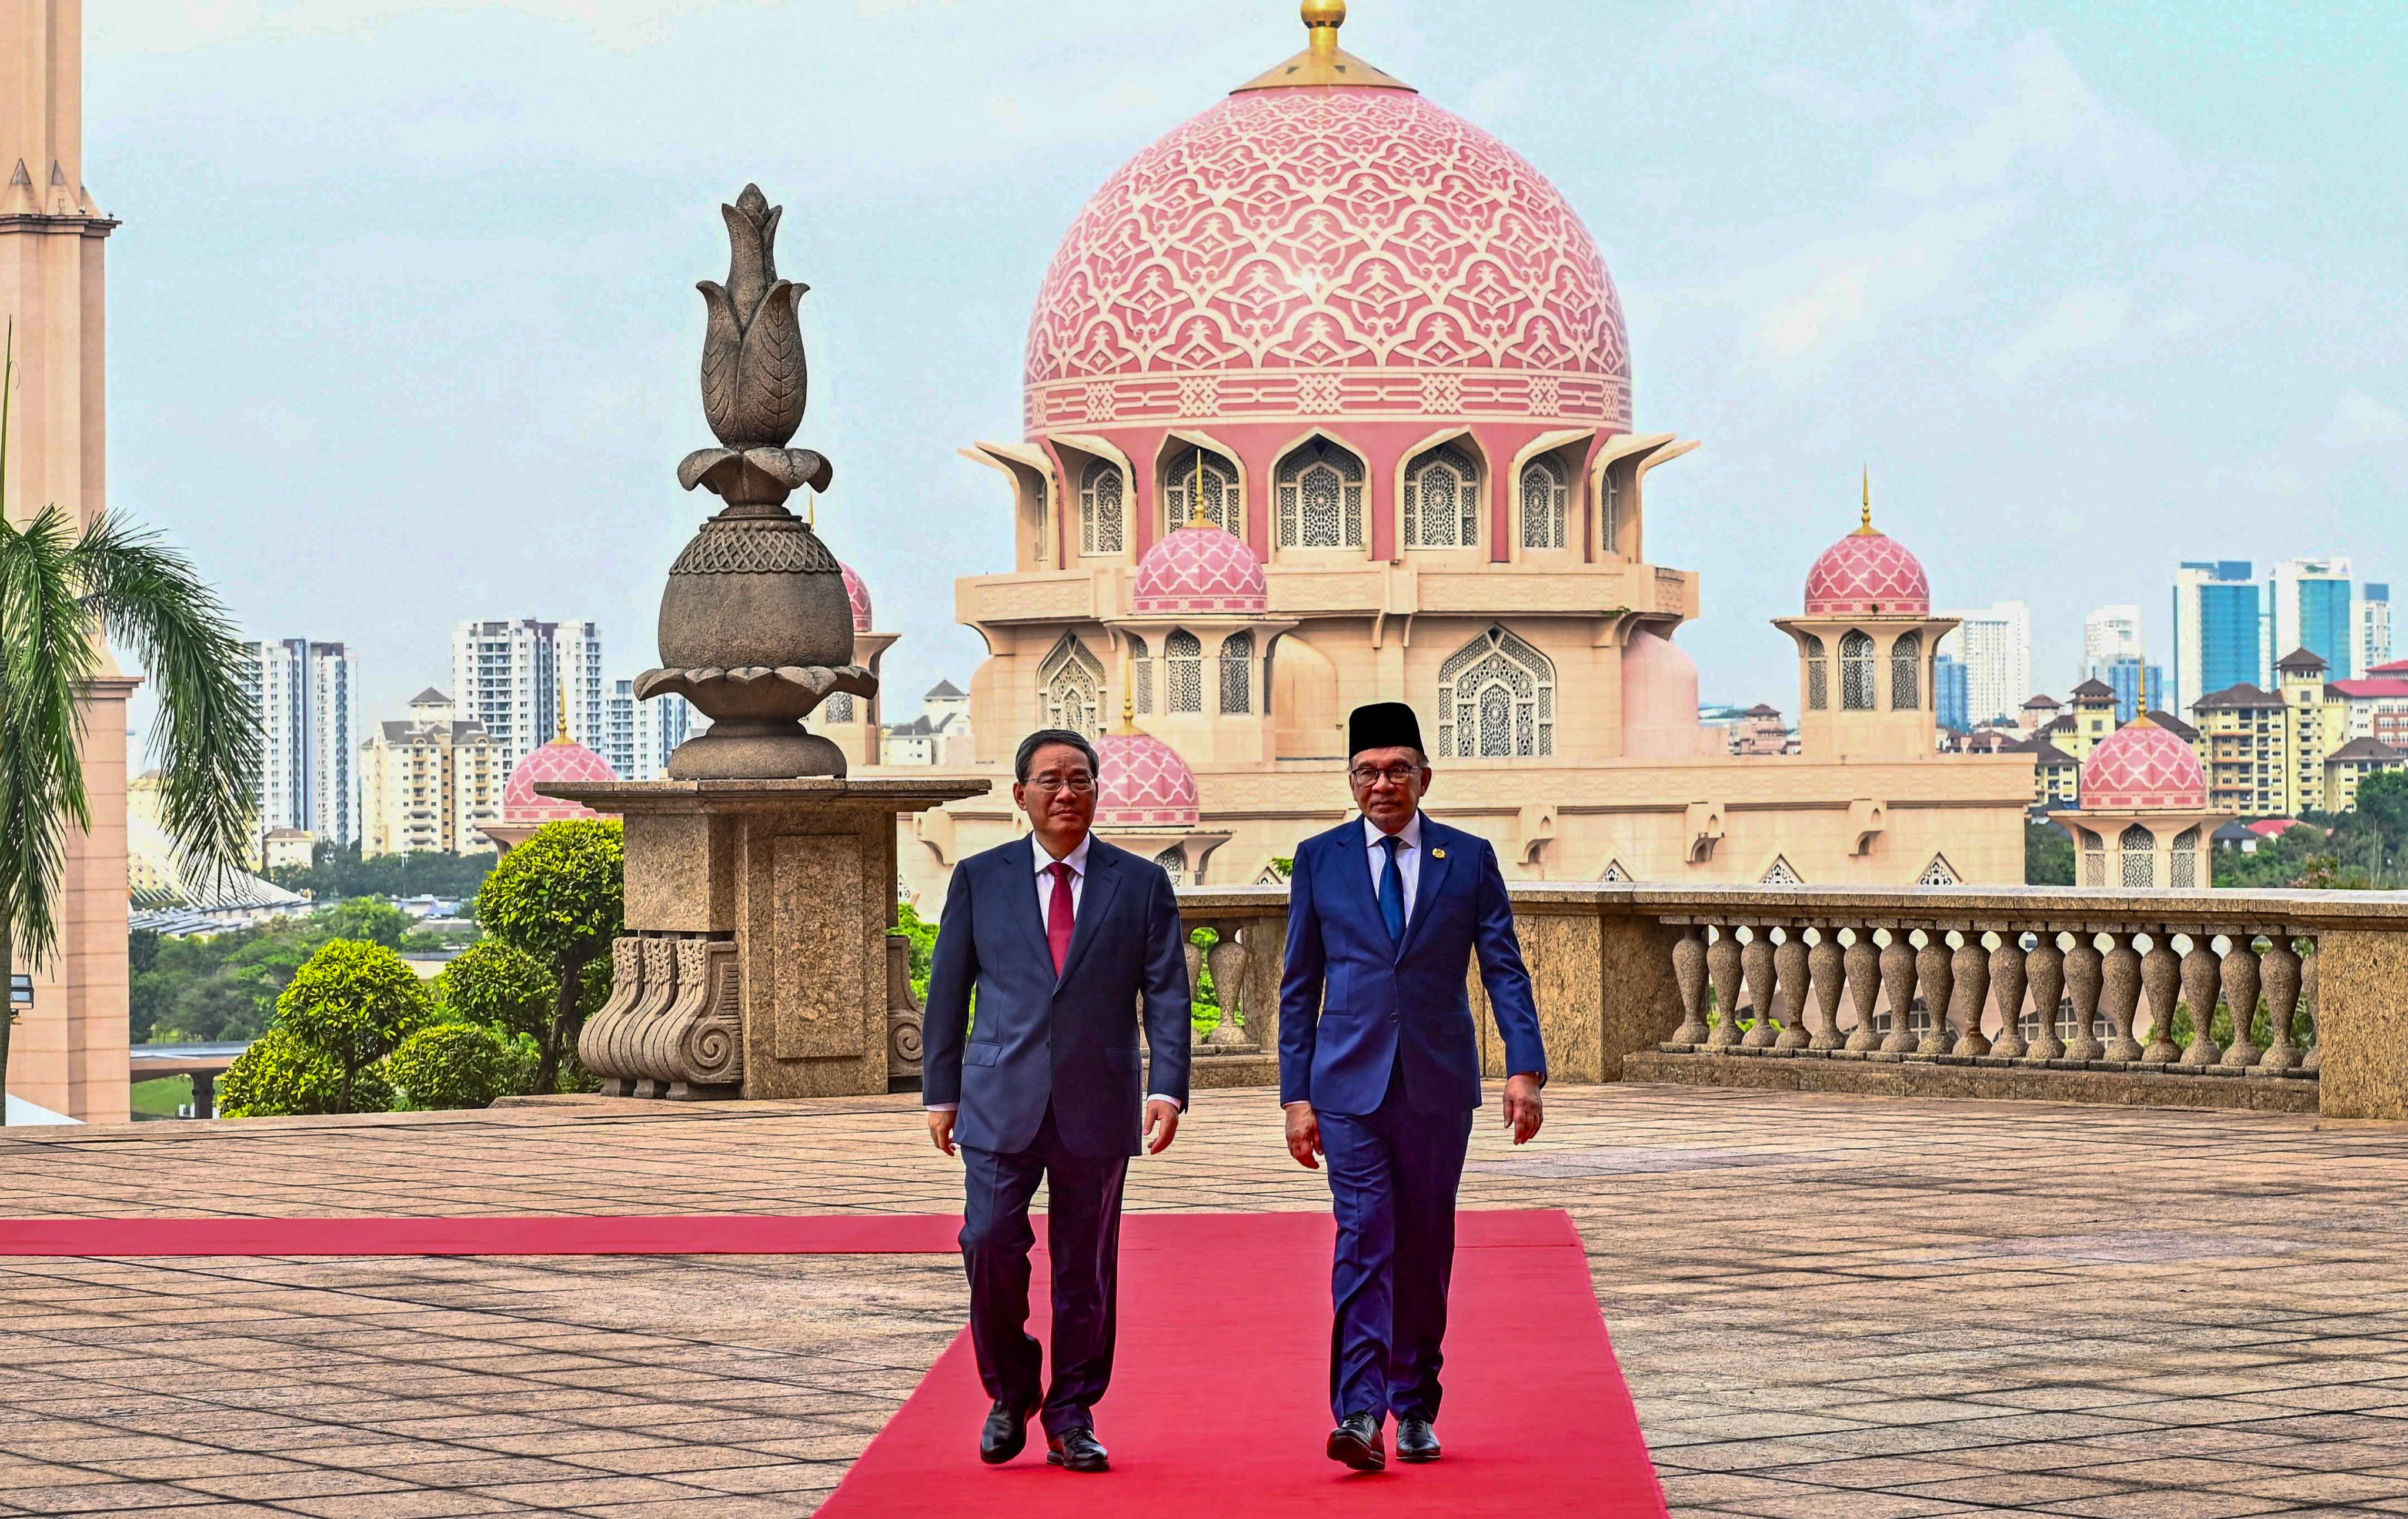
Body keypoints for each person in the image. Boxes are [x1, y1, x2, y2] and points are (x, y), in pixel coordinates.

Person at [1278, 701, 1547, 1472]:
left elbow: (1502, 967)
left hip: (1434, 1085)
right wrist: (1295, 1096)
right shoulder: (1319, 858)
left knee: (1424, 1245)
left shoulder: (1464, 858)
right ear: (1350, 781)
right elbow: (1299, 986)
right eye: (1366, 771)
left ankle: (1415, 1402)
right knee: (1365, 1237)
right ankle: (1359, 1413)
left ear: (1424, 777)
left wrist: (1522, 1069)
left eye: (1397, 770)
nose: (1382, 784)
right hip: (1346, 1086)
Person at [921, 728, 1193, 1474]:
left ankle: (1072, 1412)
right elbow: (948, 992)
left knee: (1086, 1266)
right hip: (997, 1098)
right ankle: (1012, 1389)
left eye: (1080, 779)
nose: (1066, 792)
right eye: (1050, 781)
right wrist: (940, 1092)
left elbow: (1168, 992)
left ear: (1098, 791)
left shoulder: (1139, 884)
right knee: (987, 1242)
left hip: (1097, 1102)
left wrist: (1168, 1085)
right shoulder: (981, 878)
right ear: (1021, 795)